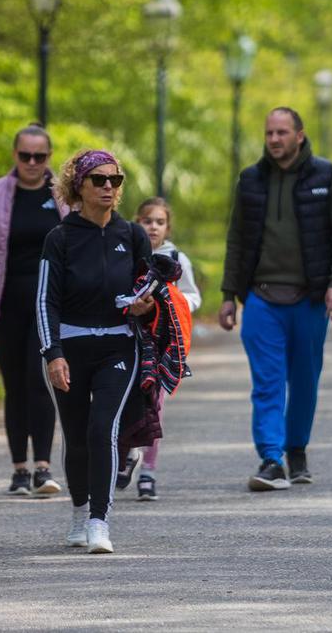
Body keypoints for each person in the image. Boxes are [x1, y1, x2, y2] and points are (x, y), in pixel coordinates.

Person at [219, 108, 332, 491]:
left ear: (300, 135)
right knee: (266, 382)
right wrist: (229, 295)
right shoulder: (250, 180)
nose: (274, 139)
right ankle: (270, 458)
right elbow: (237, 239)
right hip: (261, 298)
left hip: (310, 299)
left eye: (281, 132)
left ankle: (296, 450)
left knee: (304, 381)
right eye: (269, 133)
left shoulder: (325, 175)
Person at [38, 150, 154, 554]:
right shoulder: (61, 237)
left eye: (115, 181)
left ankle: (99, 522)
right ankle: (78, 511)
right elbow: (45, 301)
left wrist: (147, 305)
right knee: (75, 436)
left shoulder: (132, 235)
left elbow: (151, 288)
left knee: (102, 428)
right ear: (79, 186)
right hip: (69, 347)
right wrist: (53, 353)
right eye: (99, 180)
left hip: (118, 344)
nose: (108, 187)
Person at [0, 123, 69, 496]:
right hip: (3, 305)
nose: (33, 162)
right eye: (26, 156)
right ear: (15, 155)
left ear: (49, 157)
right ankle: (19, 469)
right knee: (15, 384)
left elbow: (80, 241)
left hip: (49, 306)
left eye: (40, 156)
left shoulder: (63, 194)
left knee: (39, 380)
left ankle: (43, 468)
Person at [116, 196, 203, 501]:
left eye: (159, 222)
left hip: (163, 345)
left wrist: (173, 302)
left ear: (168, 227)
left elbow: (193, 297)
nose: (152, 227)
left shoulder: (176, 258)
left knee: (155, 408)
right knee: (126, 402)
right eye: (146, 220)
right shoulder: (126, 254)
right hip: (131, 340)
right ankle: (126, 456)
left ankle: (148, 474)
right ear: (136, 223)